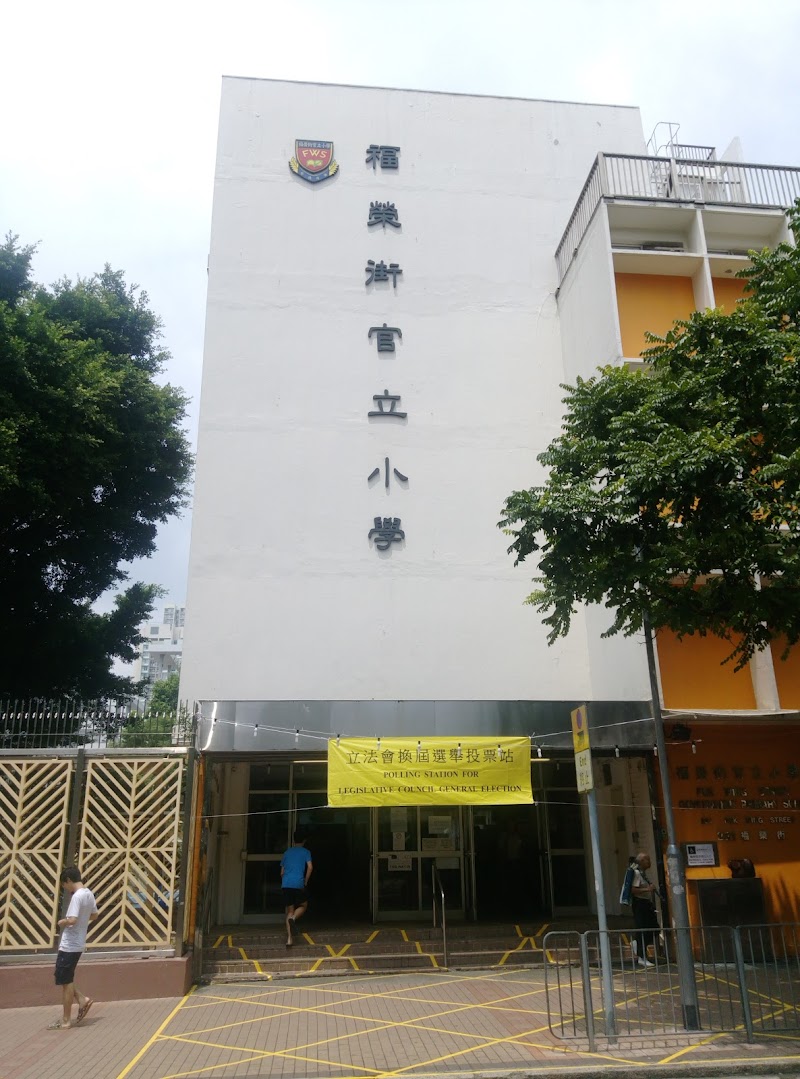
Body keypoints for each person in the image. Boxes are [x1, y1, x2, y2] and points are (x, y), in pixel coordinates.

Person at [49, 866, 99, 1029]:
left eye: (64, 884)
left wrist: (62, 922)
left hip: (70, 945)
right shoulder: (88, 894)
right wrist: (82, 918)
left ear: (69, 880)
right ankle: (82, 999)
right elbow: (95, 915)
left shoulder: (77, 896)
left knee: (66, 980)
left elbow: (72, 920)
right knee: (64, 977)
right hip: (78, 943)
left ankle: (66, 1020)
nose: (65, 888)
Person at [281, 833, 312, 947]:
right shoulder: (306, 852)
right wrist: (305, 881)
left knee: (290, 911)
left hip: (286, 884)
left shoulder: (287, 852)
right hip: (298, 883)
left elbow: (282, 872)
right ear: (304, 840)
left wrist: (286, 881)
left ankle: (289, 939)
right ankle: (293, 919)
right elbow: (310, 867)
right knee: (304, 905)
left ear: (293, 840)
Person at [629, 852, 660, 968]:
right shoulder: (637, 873)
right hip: (640, 903)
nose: (649, 862)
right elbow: (633, 890)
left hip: (646, 903)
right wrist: (647, 889)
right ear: (642, 861)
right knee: (643, 929)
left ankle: (637, 945)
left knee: (655, 928)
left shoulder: (643, 873)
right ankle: (641, 957)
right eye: (647, 860)